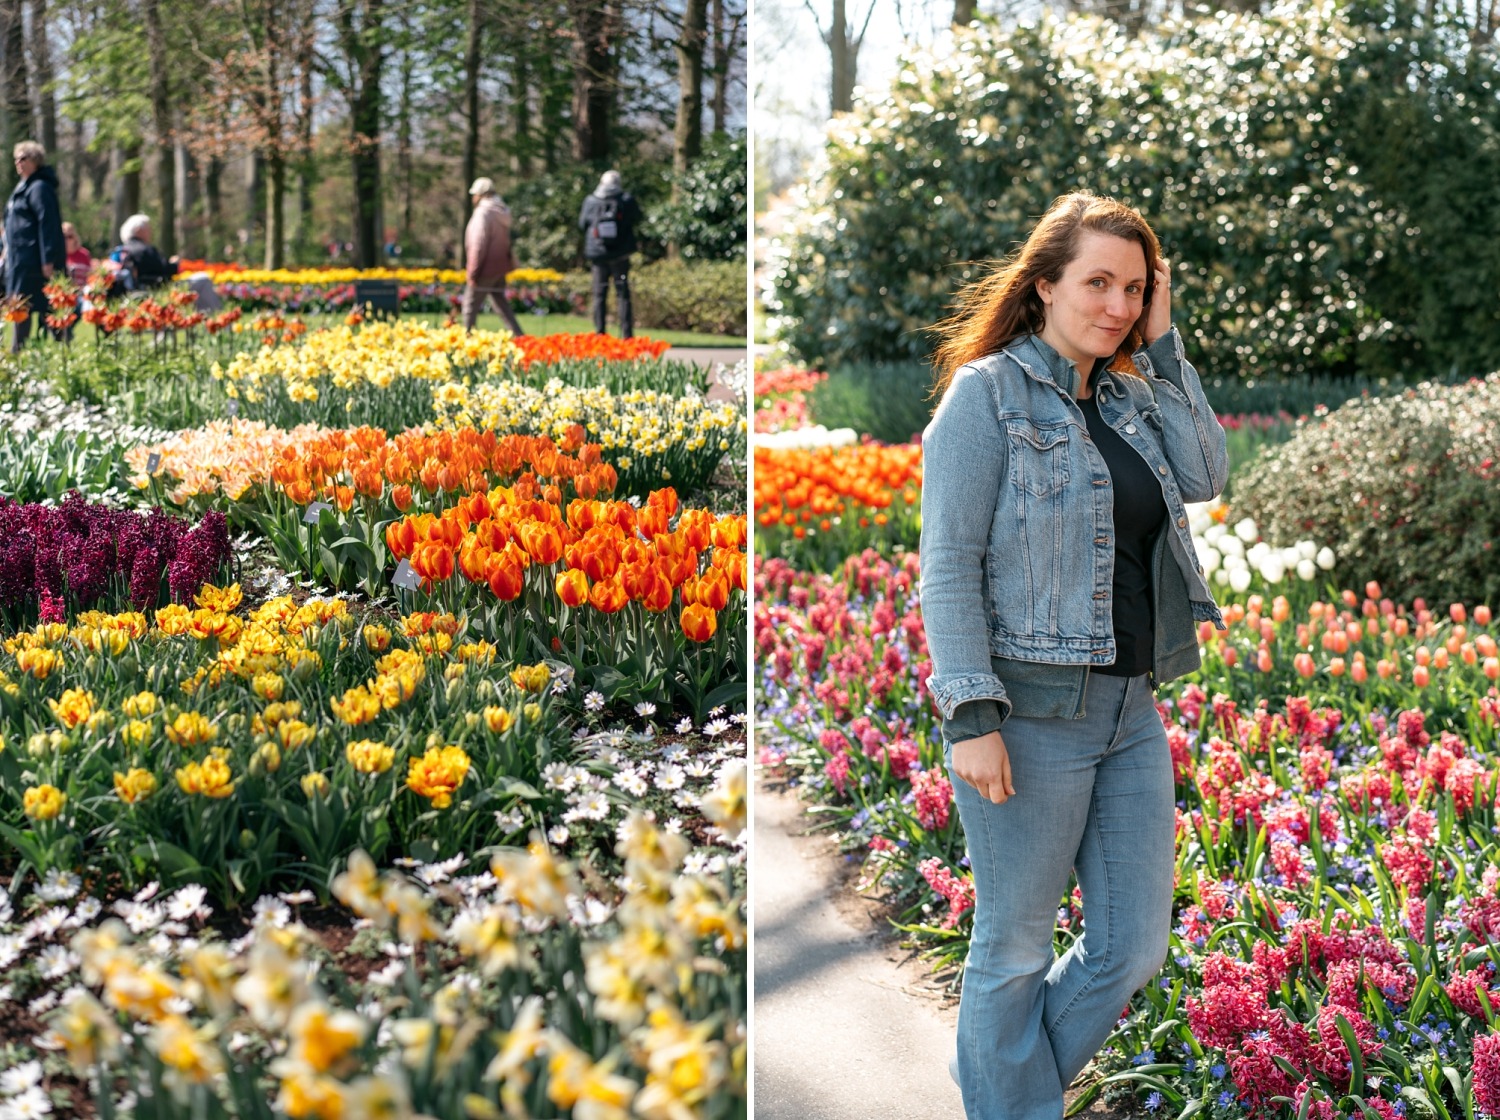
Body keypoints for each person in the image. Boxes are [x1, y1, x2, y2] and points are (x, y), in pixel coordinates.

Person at [919, 191, 1228, 1120]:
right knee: (1012, 947)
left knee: (1131, 947)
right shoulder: (986, 397)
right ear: (1045, 284)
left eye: (1135, 288)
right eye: (1097, 282)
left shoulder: (1134, 397)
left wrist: (1167, 345)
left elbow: (1208, 473)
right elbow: (948, 565)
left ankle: (995, 1076)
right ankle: (1007, 1097)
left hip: (1133, 710)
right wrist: (971, 716)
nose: (1118, 305)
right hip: (1029, 712)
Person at [3, 140, 66, 351]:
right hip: (19, 261)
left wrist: (48, 259)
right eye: (16, 159)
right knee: (20, 309)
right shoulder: (22, 187)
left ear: (36, 161)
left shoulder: (40, 187)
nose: (18, 163)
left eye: (24, 158)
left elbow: (47, 224)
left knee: (50, 308)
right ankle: (17, 355)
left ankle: (63, 354)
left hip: (36, 262)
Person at [578, 169, 641, 338]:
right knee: (623, 294)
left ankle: (600, 334)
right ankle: (627, 335)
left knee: (599, 294)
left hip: (598, 256)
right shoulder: (626, 200)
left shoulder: (590, 201)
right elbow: (637, 218)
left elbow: (582, 224)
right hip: (621, 255)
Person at [463, 177, 525, 336]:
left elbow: (478, 244)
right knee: (500, 302)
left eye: (474, 194)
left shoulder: (483, 213)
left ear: (481, 194)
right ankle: (519, 335)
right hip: (500, 266)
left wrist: (473, 272)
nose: (473, 198)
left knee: (470, 304)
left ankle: (466, 337)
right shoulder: (502, 211)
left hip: (485, 268)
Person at [111, 214, 180, 291]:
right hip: (148, 292)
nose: (151, 232)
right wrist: (175, 264)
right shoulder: (145, 250)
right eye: (148, 229)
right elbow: (166, 269)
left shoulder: (120, 251)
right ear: (138, 229)